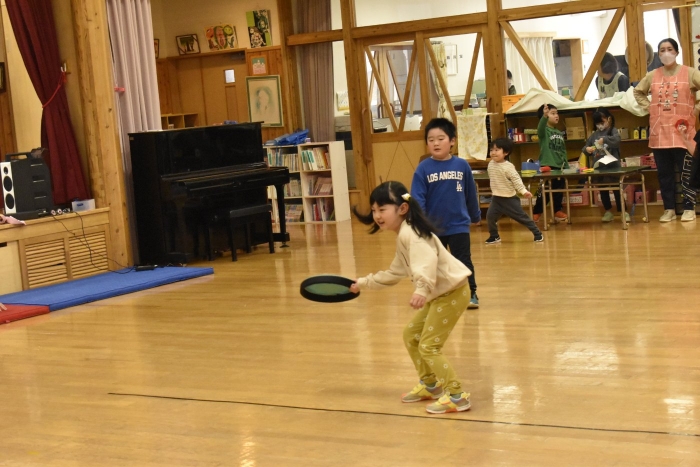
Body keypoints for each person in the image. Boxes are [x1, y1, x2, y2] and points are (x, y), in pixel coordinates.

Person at [350, 181, 473, 414]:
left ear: (402, 208)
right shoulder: (404, 235)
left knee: (429, 346)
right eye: (374, 210)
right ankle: (431, 385)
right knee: (411, 335)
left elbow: (426, 262)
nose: (377, 215)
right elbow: (395, 272)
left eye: (382, 209)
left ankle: (457, 396)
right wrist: (363, 283)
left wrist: (421, 290)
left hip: (452, 293)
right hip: (441, 294)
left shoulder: (413, 235)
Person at [411, 118, 481, 309]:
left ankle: (471, 293)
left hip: (459, 225)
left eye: (440, 138)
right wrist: (420, 224)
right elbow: (417, 198)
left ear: (452, 141)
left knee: (463, 261)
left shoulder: (462, 165)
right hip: (433, 228)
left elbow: (470, 194)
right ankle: (438, 294)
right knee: (434, 264)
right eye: (431, 139)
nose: (435, 143)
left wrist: (475, 216)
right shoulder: (423, 168)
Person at [633, 38, 700, 222]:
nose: (666, 53)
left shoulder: (690, 73)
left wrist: (696, 108)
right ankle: (669, 209)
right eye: (662, 50)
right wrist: (649, 107)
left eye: (670, 49)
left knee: (687, 172)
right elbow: (637, 92)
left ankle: (689, 208)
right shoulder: (652, 75)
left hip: (683, 133)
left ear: (676, 52)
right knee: (664, 174)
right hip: (660, 133)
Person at [485, 138, 543, 244]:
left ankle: (537, 233)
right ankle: (494, 236)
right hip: (496, 198)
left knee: (522, 218)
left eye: (497, 150)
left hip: (509, 199)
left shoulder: (509, 167)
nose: (493, 153)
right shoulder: (490, 164)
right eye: (491, 150)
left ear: (506, 152)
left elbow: (516, 180)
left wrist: (524, 191)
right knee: (490, 217)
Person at [581, 108, 629, 222]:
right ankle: (608, 211)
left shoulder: (613, 131)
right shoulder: (594, 135)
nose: (600, 125)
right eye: (597, 123)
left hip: (613, 167)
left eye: (602, 122)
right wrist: (587, 149)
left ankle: (623, 211)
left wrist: (605, 140)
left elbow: (617, 140)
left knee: (617, 190)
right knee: (603, 190)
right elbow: (585, 147)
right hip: (599, 168)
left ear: (609, 119)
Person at [533, 104, 569, 223]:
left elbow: (563, 150)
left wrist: (566, 165)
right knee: (543, 191)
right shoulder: (543, 131)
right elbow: (540, 128)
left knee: (558, 191)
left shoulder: (559, 132)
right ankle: (537, 212)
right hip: (547, 166)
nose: (556, 115)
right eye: (553, 113)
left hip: (560, 167)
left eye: (557, 113)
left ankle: (557, 211)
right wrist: (544, 116)